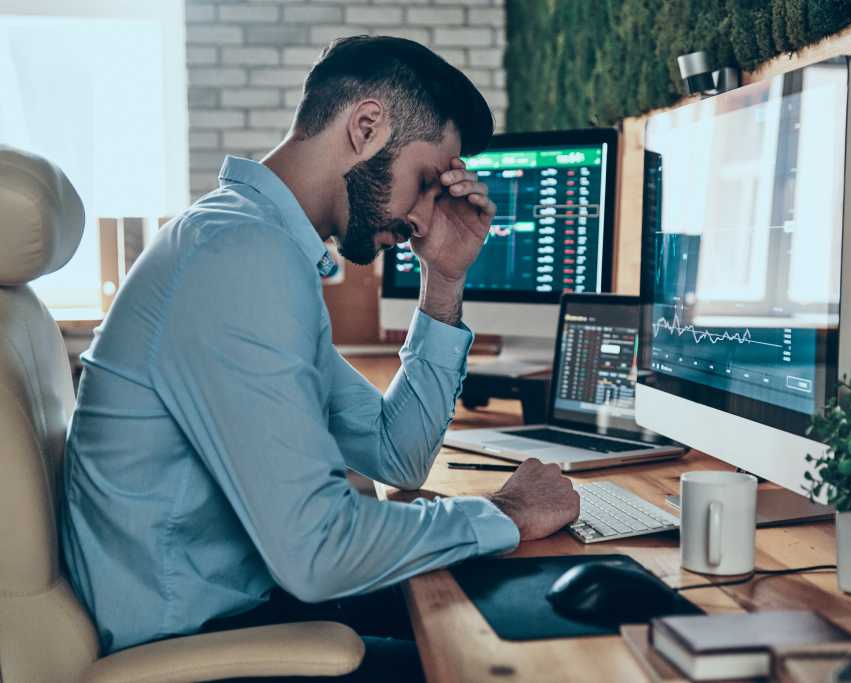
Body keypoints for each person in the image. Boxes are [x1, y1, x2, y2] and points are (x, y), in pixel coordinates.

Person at [61, 36, 580, 681]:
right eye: (424, 181)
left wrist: (443, 280)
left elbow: (397, 454)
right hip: (199, 646)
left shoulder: (253, 244)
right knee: (517, 662)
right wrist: (504, 512)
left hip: (247, 606)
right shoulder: (237, 256)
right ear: (365, 127)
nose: (426, 216)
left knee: (499, 607)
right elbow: (317, 552)